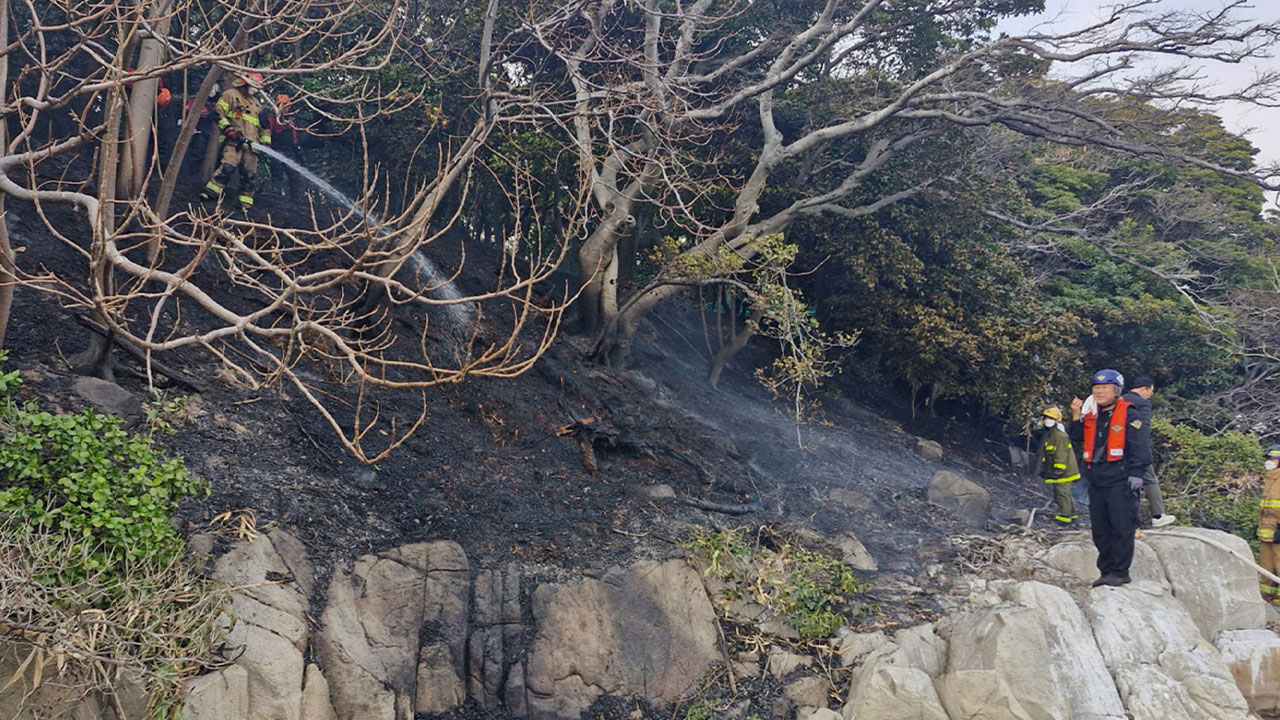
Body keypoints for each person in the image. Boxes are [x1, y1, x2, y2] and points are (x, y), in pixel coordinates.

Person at [1070, 369, 1153, 587]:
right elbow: (1077, 437)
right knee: (1100, 529)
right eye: (1096, 388)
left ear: (1116, 390)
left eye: (1104, 388)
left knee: (1121, 526)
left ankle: (1119, 571)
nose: (1099, 392)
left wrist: (1137, 474)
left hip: (1120, 478)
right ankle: (1105, 570)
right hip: (1096, 480)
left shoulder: (1129, 414)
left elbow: (1141, 446)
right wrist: (1076, 416)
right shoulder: (1092, 414)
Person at [199, 71, 272, 211]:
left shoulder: (257, 104)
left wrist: (265, 145)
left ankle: (245, 203)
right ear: (245, 82)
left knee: (249, 176)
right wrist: (229, 131)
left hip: (252, 147)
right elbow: (218, 113)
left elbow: (263, 128)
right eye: (254, 85)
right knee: (227, 167)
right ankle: (210, 193)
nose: (255, 88)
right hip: (234, 143)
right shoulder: (230, 95)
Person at [1125, 376, 1175, 528]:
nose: (1150, 396)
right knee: (1150, 480)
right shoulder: (1142, 403)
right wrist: (1145, 454)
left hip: (1118, 450)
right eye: (1151, 392)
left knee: (1124, 484)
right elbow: (1142, 430)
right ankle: (1158, 516)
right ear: (1144, 388)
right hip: (1136, 450)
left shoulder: (1119, 400)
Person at [1037, 407, 1080, 525]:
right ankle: (1073, 514)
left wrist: (1058, 470)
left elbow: (1060, 455)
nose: (1047, 420)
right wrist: (1045, 469)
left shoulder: (1059, 436)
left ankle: (1064, 518)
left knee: (1061, 494)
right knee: (1065, 493)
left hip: (1064, 471)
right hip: (1060, 470)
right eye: (1046, 417)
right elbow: (1049, 455)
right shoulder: (1050, 435)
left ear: (1057, 420)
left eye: (1050, 418)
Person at [1259, 445, 1280, 604]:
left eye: (1273, 459)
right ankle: (1266, 596)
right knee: (1266, 565)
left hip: (1278, 531)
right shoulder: (1270, 479)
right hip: (1267, 532)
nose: (1270, 462)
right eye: (1269, 458)